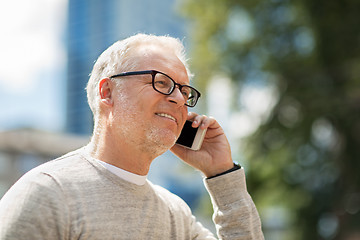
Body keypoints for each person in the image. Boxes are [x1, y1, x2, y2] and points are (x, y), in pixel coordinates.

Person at [0, 34, 264, 239]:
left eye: (185, 91)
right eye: (161, 82)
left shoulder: (176, 214)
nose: (179, 98)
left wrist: (222, 175)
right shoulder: (46, 192)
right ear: (108, 93)